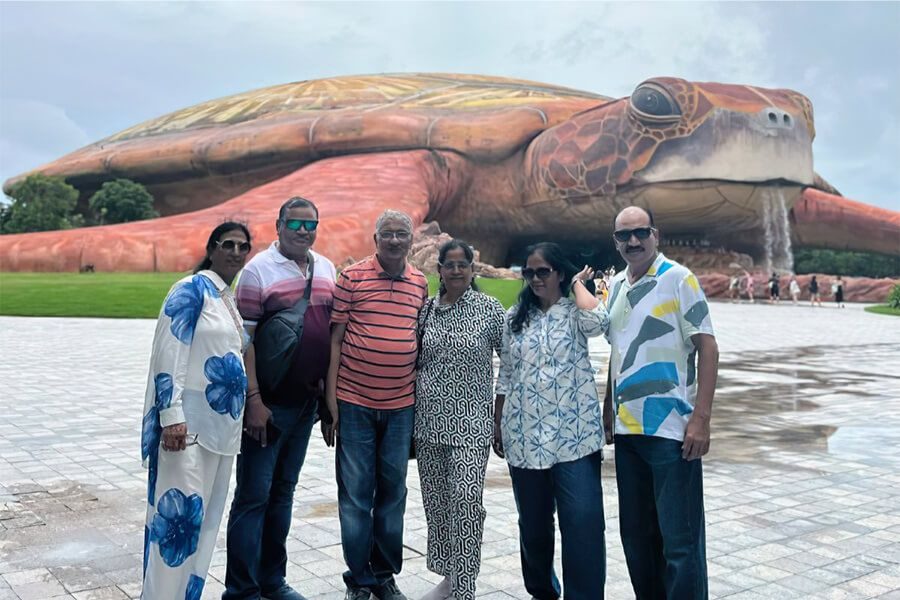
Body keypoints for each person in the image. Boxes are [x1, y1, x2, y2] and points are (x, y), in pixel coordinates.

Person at [223, 197, 337, 600]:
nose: (303, 232)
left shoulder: (325, 268)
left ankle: (272, 579)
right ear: (279, 225)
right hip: (268, 406)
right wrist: (253, 400)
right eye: (296, 224)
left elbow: (328, 336)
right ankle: (241, 589)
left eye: (311, 225)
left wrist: (328, 401)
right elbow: (244, 341)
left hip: (305, 404)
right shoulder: (257, 272)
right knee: (254, 495)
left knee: (283, 492)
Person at [603, 206, 719, 599]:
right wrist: (608, 409)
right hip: (628, 431)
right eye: (624, 235)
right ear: (615, 241)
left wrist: (700, 419)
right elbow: (619, 352)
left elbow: (707, 346)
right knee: (636, 535)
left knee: (680, 540)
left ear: (656, 234)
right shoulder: (616, 285)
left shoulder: (679, 278)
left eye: (640, 232)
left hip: (672, 431)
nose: (632, 241)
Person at [141, 222, 252, 600]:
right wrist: (171, 416)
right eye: (228, 244)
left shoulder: (226, 299)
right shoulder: (190, 290)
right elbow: (169, 351)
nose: (236, 252)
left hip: (221, 433)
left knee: (202, 526)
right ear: (212, 248)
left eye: (243, 246)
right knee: (177, 523)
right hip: (187, 432)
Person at [494, 242, 610, 600]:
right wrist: (497, 420)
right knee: (534, 528)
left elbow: (598, 321)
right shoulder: (515, 316)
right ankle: (542, 592)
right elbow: (507, 374)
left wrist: (578, 284)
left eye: (543, 271)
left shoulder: (574, 311)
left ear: (558, 272)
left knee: (584, 524)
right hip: (524, 437)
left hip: (574, 439)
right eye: (529, 272)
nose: (535, 278)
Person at [326, 210, 429, 600]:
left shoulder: (419, 283)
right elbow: (335, 340)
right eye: (387, 234)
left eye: (401, 234)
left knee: (393, 493)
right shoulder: (352, 278)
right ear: (376, 239)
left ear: (410, 240)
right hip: (354, 402)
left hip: (402, 406)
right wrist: (331, 400)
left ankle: (383, 573)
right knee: (355, 495)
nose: (394, 240)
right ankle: (358, 577)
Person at [416, 240, 506, 600]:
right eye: (449, 265)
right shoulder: (426, 311)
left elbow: (511, 364)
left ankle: (464, 588)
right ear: (439, 269)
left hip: (471, 424)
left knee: (467, 500)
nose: (456, 271)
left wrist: (501, 416)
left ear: (472, 269)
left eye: (462, 265)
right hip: (429, 424)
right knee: (438, 504)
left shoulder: (490, 309)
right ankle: (450, 577)